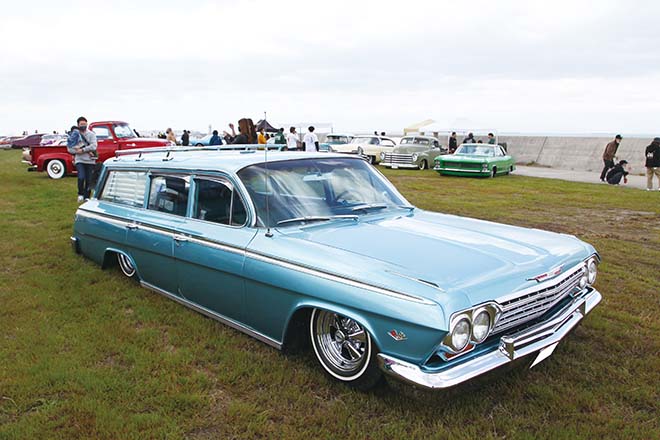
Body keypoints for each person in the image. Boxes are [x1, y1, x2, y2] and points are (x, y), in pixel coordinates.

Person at [67, 116, 97, 202]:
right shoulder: (74, 135)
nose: (83, 125)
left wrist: (83, 150)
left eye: (84, 124)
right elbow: (69, 148)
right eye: (81, 124)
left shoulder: (91, 134)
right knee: (81, 177)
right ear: (78, 125)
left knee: (89, 179)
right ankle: (80, 194)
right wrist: (78, 152)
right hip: (79, 160)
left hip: (90, 160)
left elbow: (94, 146)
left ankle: (87, 196)